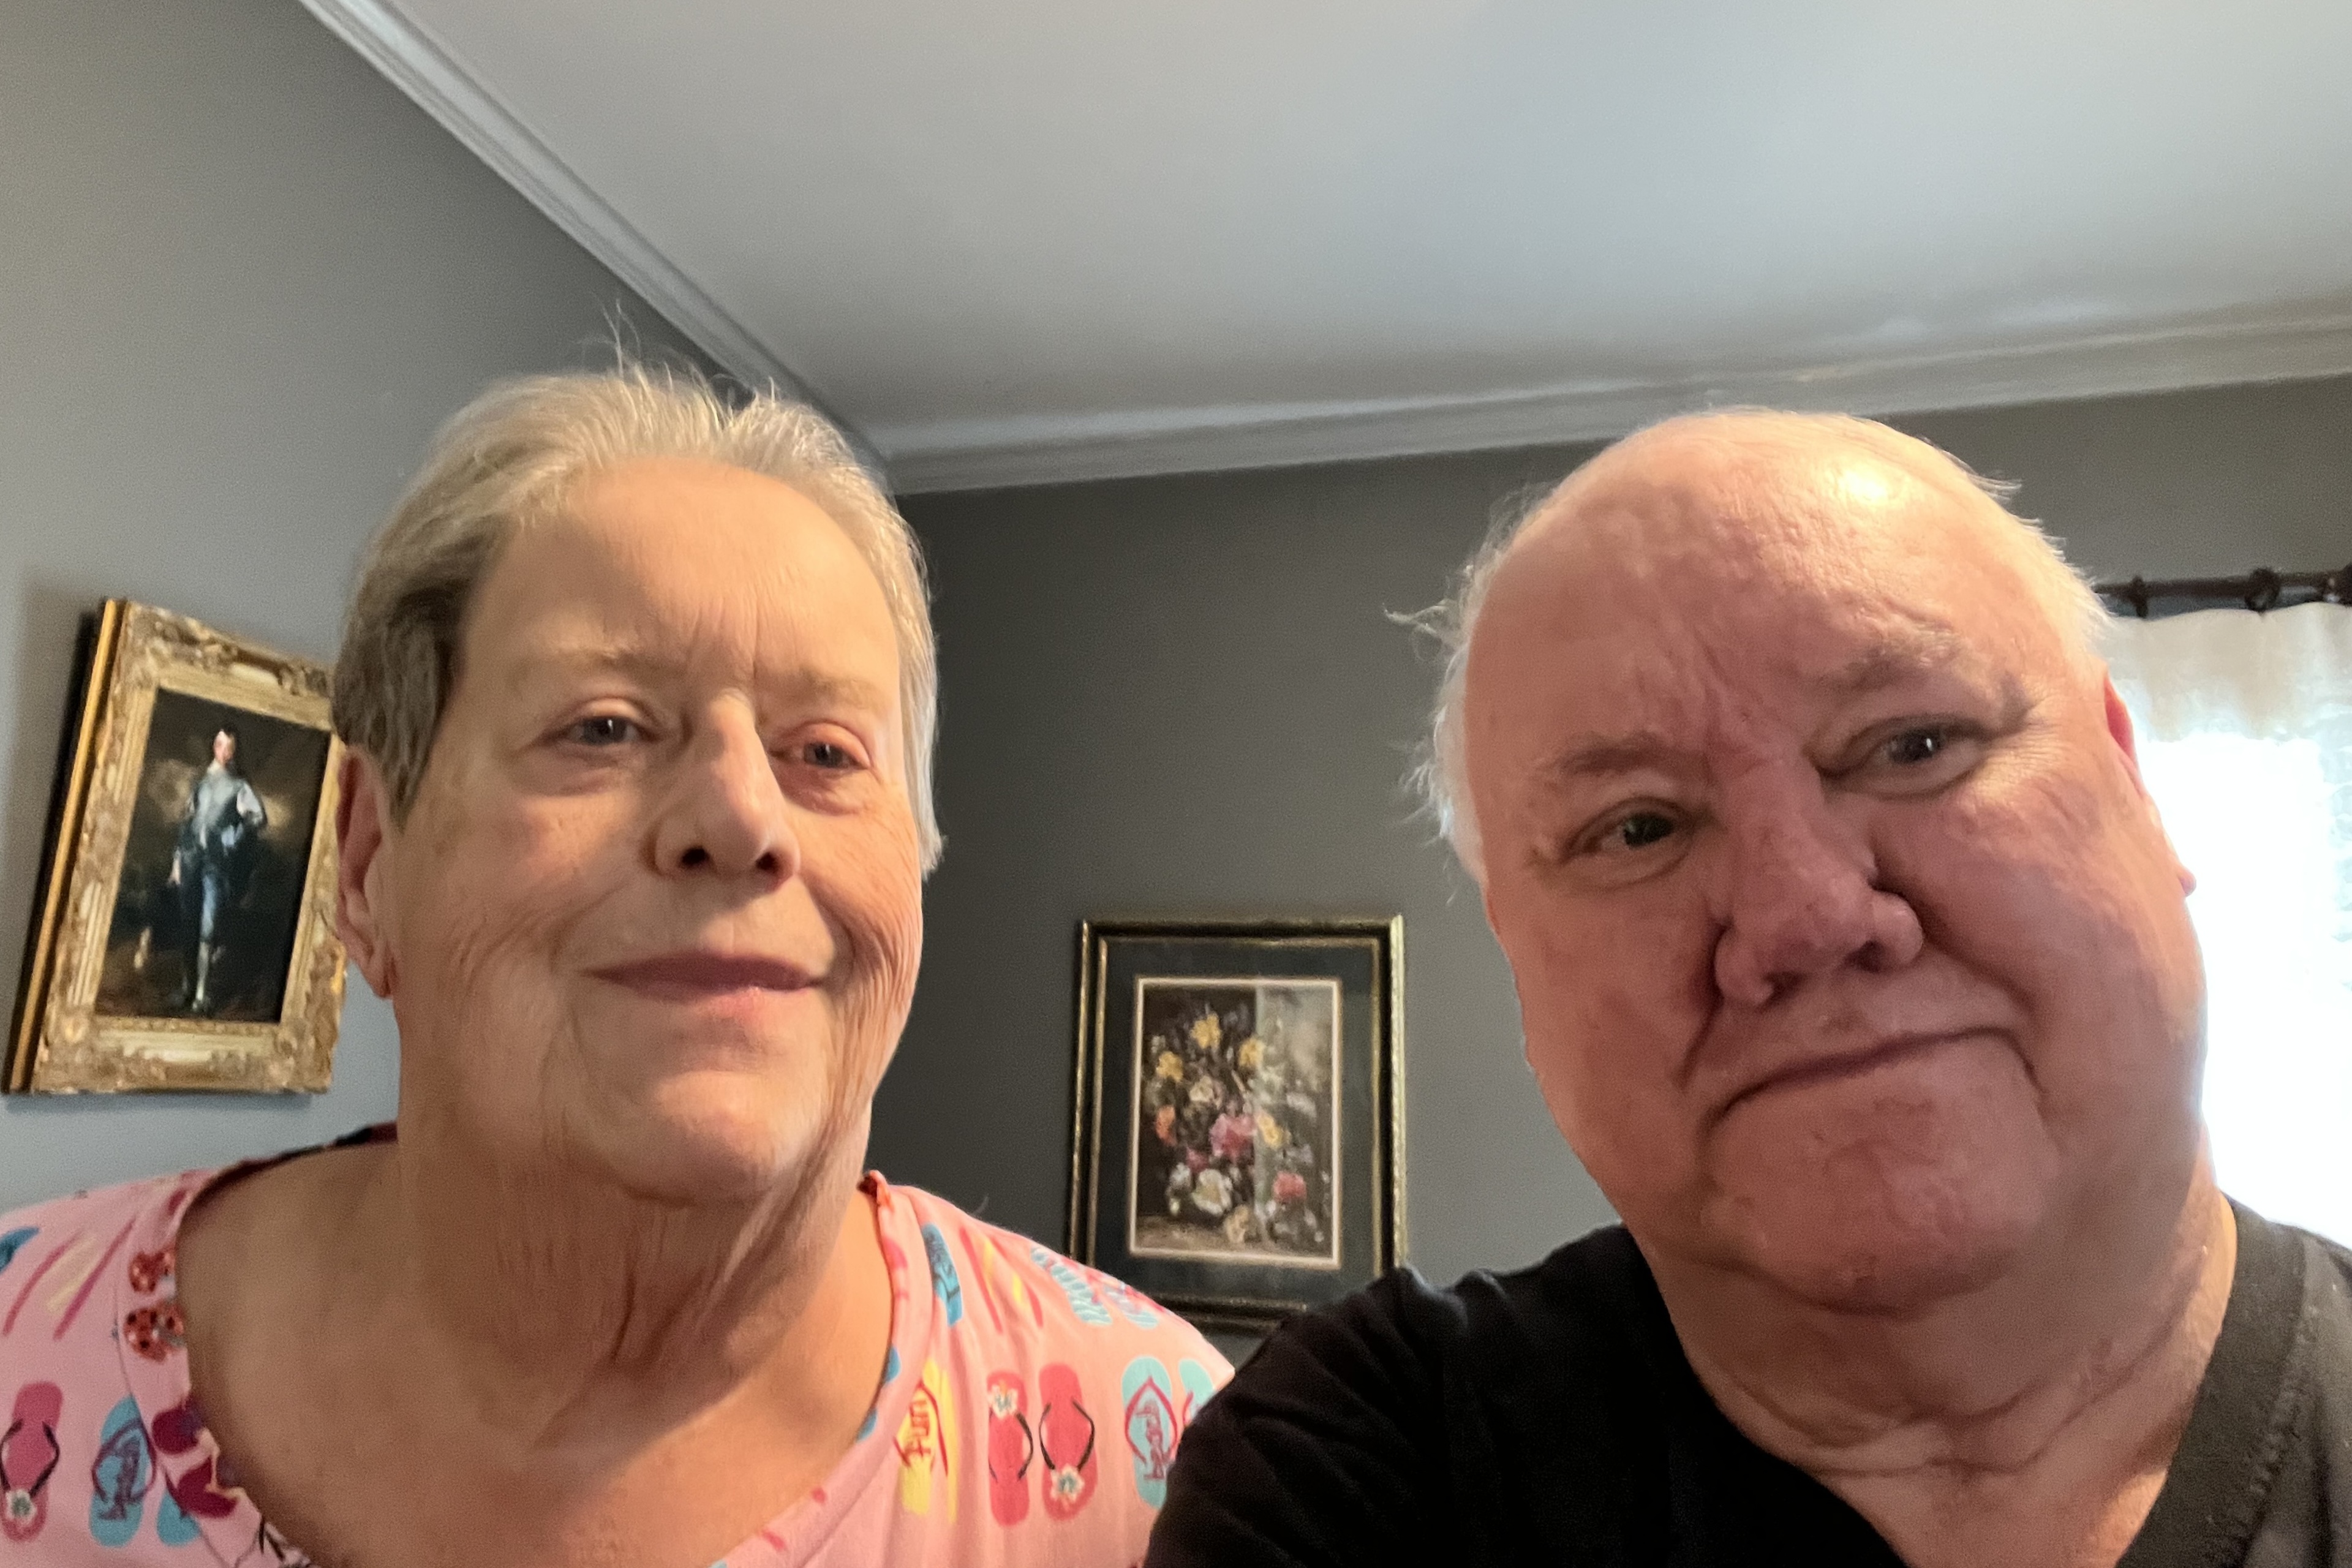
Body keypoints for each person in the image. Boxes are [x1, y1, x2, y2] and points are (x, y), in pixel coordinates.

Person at [0, 366, 1224, 1566]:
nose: (745, 818)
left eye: (828, 751)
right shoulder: (20, 1354)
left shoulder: (1165, 1465)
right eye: (605, 726)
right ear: (369, 863)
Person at [1148, 411, 2352, 1567]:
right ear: (1517, 953)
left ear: (2136, 784)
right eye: (1638, 826)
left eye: (1916, 743)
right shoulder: (1364, 1467)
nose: (1808, 915)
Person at [167, 722, 266, 1014]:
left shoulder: (239, 787)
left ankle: (201, 993)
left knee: (207, 928)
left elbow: (258, 819)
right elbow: (187, 824)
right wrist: (176, 862)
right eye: (221, 745)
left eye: (230, 748)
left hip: (215, 865)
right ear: (215, 746)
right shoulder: (200, 785)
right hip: (190, 860)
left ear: (234, 752)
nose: (224, 751)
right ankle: (187, 986)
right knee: (188, 925)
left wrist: (232, 837)